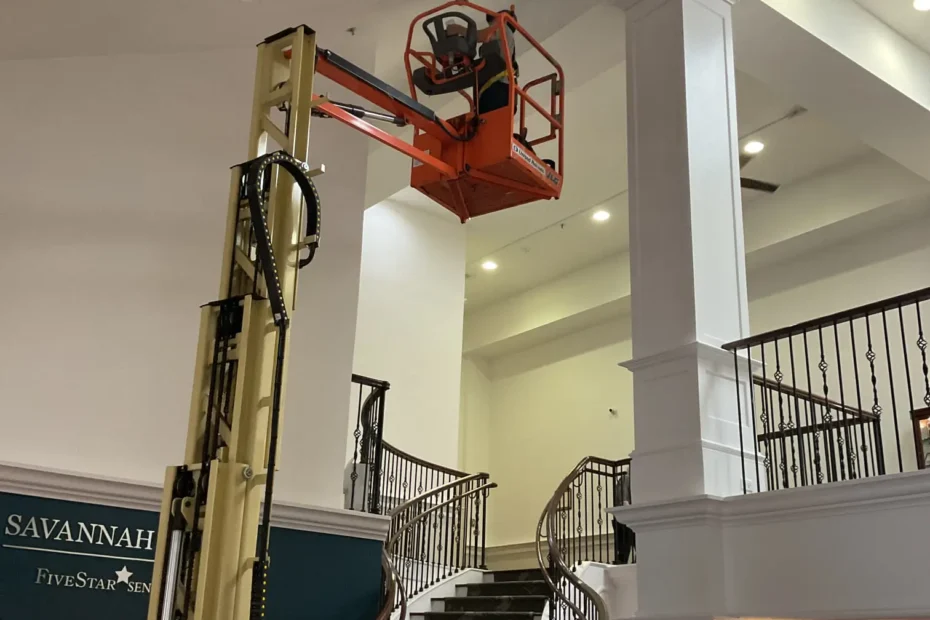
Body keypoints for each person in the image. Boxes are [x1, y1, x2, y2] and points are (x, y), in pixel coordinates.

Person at [446, 9, 518, 114]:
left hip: (499, 89)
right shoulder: (496, 41)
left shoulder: (505, 28)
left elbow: (480, 36)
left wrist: (458, 29)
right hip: (489, 90)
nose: (490, 27)